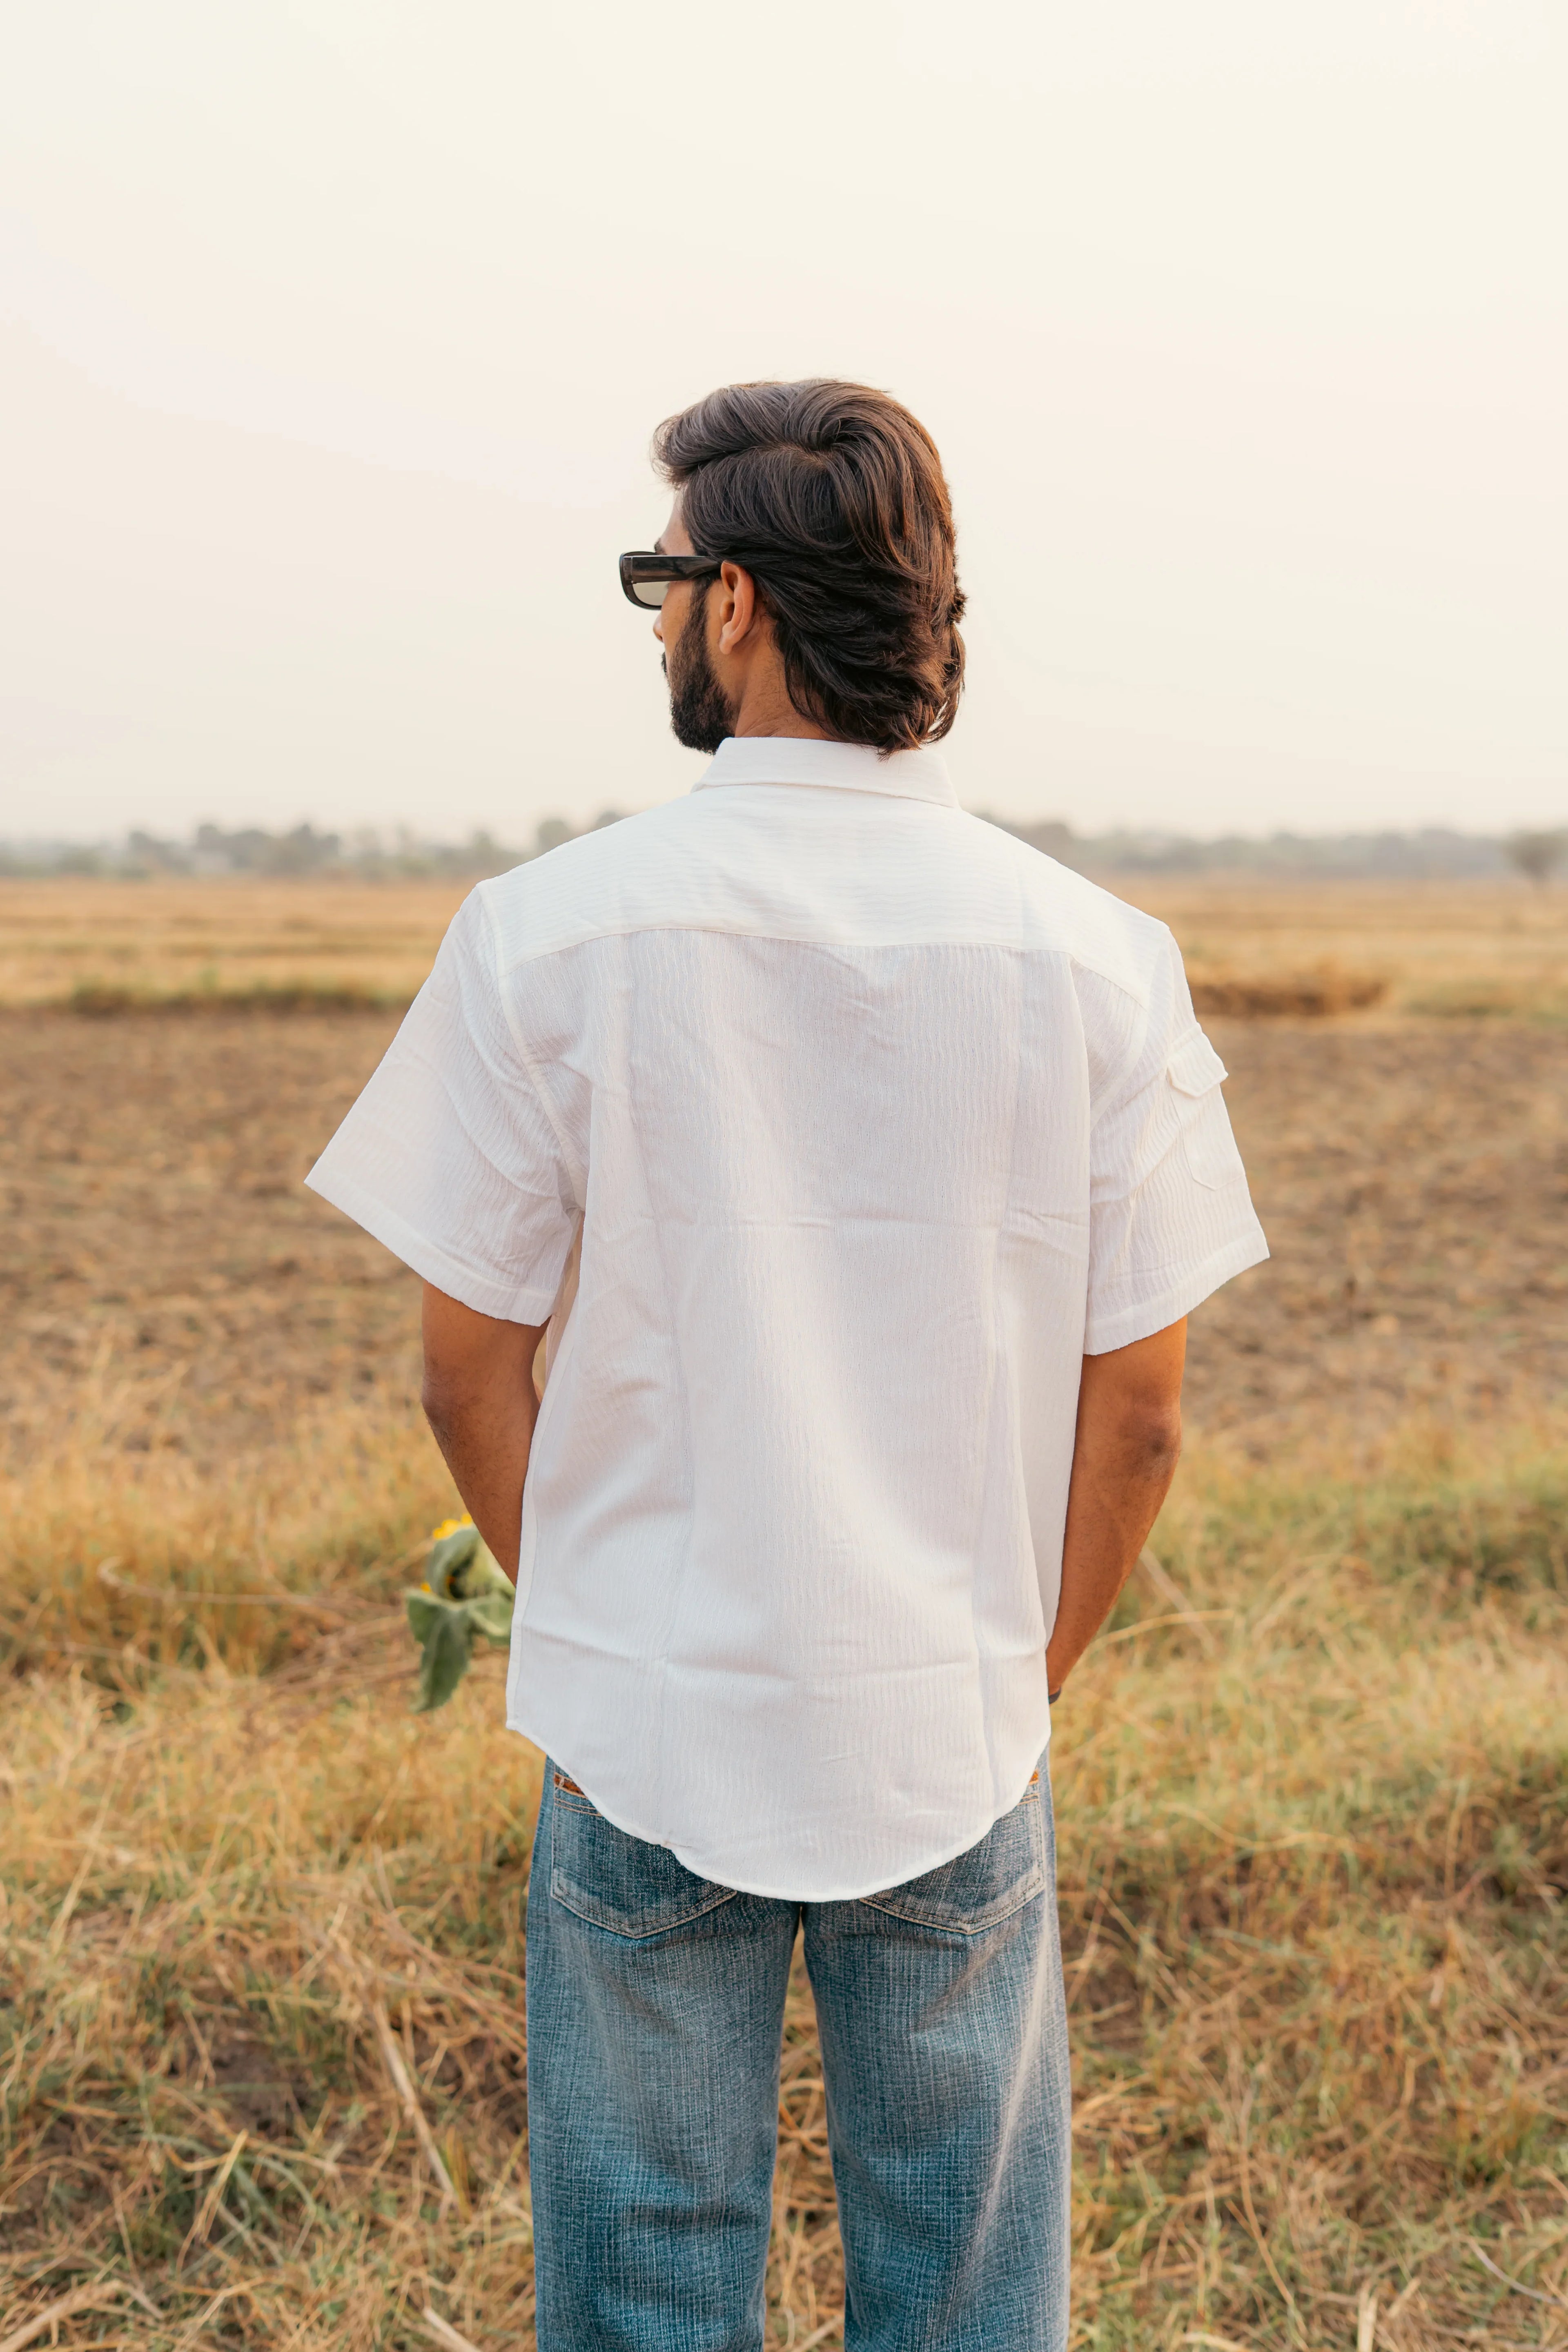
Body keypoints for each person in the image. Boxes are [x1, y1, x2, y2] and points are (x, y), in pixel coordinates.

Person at [306, 379, 1268, 2352]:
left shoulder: (546, 934)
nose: (661, 621)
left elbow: (462, 1370)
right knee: (966, 2298)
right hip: (953, 1720)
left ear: (734, 606)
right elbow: (1146, 1416)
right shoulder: (1098, 955)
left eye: (666, 581)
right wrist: (1017, 1668)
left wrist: (593, 1622)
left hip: (648, 1715)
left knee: (648, 2292)